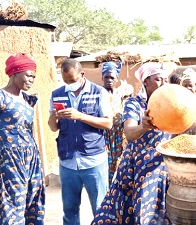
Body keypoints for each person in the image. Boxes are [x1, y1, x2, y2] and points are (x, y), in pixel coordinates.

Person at [91, 62, 172, 225]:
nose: (163, 84)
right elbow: (129, 132)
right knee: (140, 208)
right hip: (139, 166)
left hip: (162, 165)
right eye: (158, 80)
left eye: (165, 80)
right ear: (146, 82)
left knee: (162, 210)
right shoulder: (135, 104)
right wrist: (144, 126)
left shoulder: (169, 103)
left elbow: (190, 121)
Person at [0, 53, 45, 224]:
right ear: (14, 73)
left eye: (34, 76)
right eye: (28, 75)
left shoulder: (28, 100)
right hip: (9, 161)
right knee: (10, 209)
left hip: (32, 160)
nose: (32, 79)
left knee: (34, 205)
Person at [48, 59, 113, 225]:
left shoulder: (99, 92)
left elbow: (108, 123)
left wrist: (80, 116)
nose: (69, 84)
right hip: (68, 161)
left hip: (93, 161)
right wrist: (53, 117)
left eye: (73, 80)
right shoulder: (57, 94)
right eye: (65, 81)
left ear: (82, 74)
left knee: (100, 209)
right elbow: (53, 128)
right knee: (69, 211)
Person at [101, 61, 133, 185]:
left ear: (117, 79)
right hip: (104, 136)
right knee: (105, 166)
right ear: (102, 78)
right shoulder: (99, 93)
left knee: (119, 164)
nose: (109, 80)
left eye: (112, 77)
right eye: (106, 77)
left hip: (119, 136)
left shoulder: (120, 94)